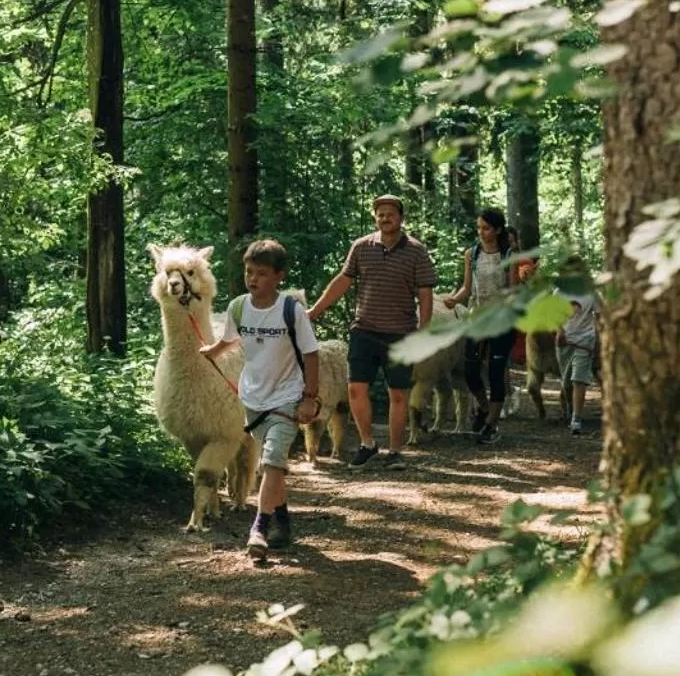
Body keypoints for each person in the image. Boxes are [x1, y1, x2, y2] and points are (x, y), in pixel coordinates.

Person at [201, 239, 321, 560]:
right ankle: (283, 519)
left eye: (262, 273)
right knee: (275, 466)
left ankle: (259, 528)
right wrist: (212, 352)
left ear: (279, 276)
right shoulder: (238, 307)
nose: (253, 278)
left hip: (287, 398)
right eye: (249, 272)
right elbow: (230, 339)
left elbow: (311, 354)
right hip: (252, 400)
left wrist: (309, 397)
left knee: (271, 461)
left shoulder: (291, 310)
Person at [307, 194, 437, 471]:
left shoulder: (416, 250)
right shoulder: (361, 247)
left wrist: (424, 330)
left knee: (399, 395)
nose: (384, 218)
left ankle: (395, 451)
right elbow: (342, 280)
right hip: (364, 330)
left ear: (400, 218)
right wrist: (315, 311)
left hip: (401, 334)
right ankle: (367, 444)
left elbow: (425, 293)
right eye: (380, 214)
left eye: (390, 213)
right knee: (355, 389)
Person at [442, 207, 521, 443]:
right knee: (470, 372)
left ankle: (491, 425)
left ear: (497, 230)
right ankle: (485, 408)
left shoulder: (509, 255)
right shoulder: (472, 253)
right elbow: (467, 287)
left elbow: (513, 290)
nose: (481, 232)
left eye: (486, 228)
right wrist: (455, 299)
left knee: (496, 374)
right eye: (479, 227)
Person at [558, 289, 601, 435]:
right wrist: (559, 331)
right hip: (564, 342)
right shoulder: (559, 291)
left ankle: (576, 419)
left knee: (579, 380)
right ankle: (570, 407)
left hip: (585, 340)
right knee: (566, 383)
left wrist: (598, 340)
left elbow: (599, 316)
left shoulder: (591, 292)